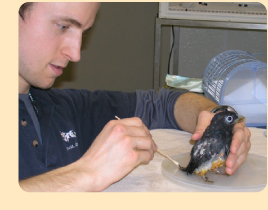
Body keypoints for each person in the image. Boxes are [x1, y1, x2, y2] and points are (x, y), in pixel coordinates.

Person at [19, 2, 251, 192]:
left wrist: (215, 119)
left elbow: (165, 105)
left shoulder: (58, 107)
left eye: (83, 32)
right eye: (62, 26)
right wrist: (86, 173)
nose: (76, 53)